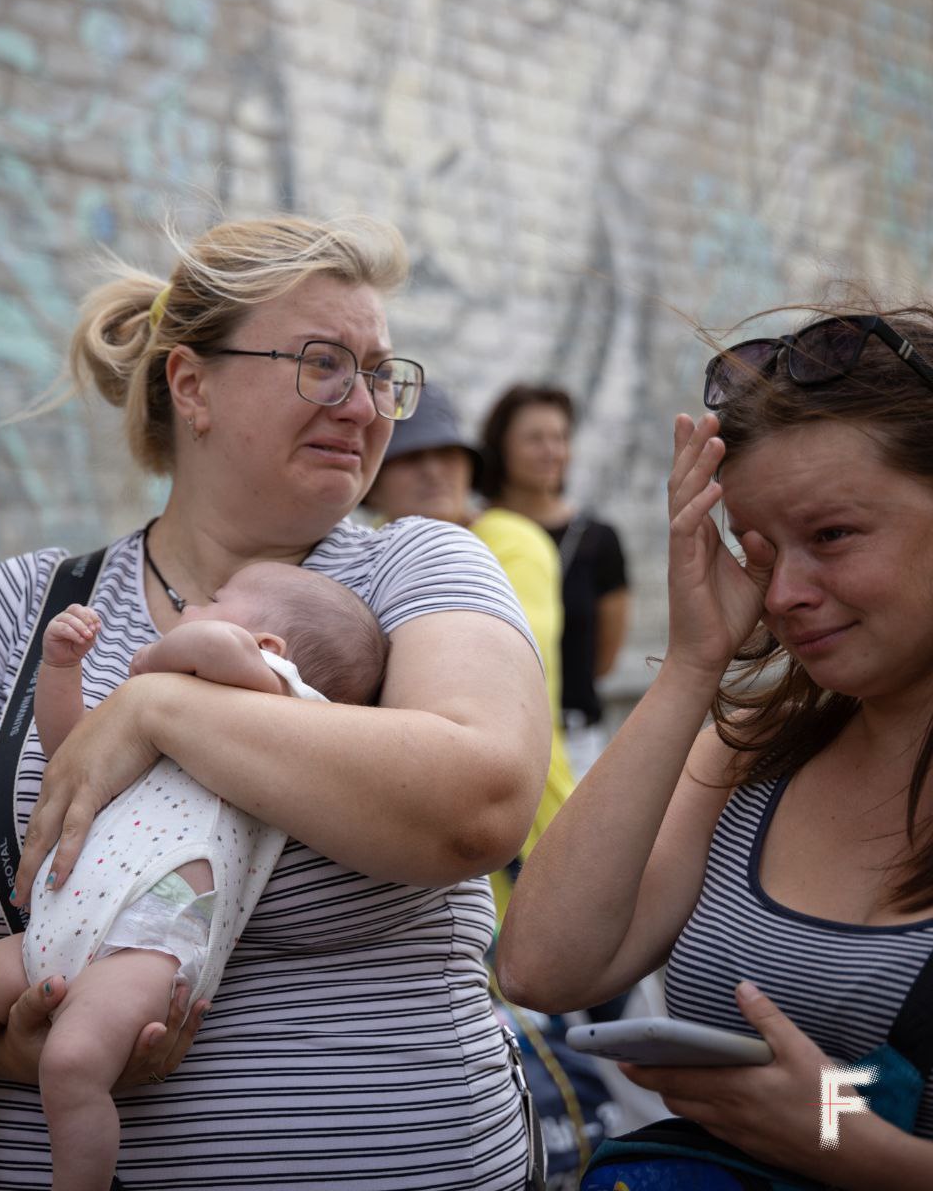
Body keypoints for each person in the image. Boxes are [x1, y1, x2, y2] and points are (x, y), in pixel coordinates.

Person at [0, 214, 551, 1190]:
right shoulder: (26, 604)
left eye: (381, 372)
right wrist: (3, 1038)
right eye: (323, 362)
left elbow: (478, 802)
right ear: (191, 383)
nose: (365, 402)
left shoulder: (418, 565)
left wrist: (160, 712)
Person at [496, 309, 933, 1189]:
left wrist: (840, 1134)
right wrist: (693, 664)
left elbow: (835, 1121)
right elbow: (542, 965)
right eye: (762, 552)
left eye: (833, 536)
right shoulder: (747, 761)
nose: (785, 594)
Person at [0, 559, 388, 1191]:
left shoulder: (282, 700)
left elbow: (219, 647)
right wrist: (61, 669)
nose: (189, 608)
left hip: (150, 935)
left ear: (271, 649)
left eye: (211, 596)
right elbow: (72, 750)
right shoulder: (170, 718)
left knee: (74, 1060)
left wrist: (146, 677)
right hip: (61, 924)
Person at [361, 382, 575, 924]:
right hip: (412, 842)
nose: (433, 471)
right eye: (410, 458)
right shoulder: (357, 556)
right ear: (376, 476)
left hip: (527, 831)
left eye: (447, 455)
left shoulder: (510, 539)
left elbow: (485, 669)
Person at [478, 385, 628, 777]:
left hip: (575, 739)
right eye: (535, 439)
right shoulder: (472, 534)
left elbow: (605, 657)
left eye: (560, 438)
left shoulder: (599, 540)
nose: (552, 451)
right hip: (489, 735)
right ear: (501, 447)